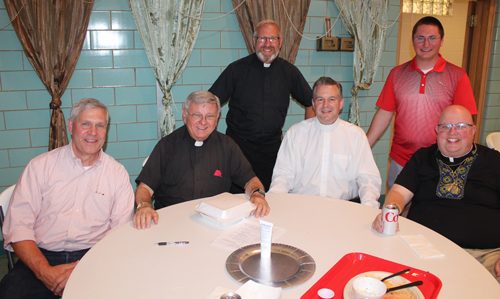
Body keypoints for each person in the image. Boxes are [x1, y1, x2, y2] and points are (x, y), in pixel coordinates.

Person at [0, 98, 135, 298]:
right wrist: (44, 271)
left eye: (100, 126)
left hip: (95, 256)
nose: (93, 132)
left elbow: (118, 233)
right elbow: (18, 227)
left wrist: (80, 270)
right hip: (41, 255)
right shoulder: (40, 167)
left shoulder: (117, 174)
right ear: (71, 126)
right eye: (86, 124)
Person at [372, 105, 500, 283]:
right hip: (423, 250)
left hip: (485, 257)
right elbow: (399, 193)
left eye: (461, 126)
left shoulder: (494, 161)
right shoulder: (422, 157)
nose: (452, 132)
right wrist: (390, 212)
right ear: (436, 130)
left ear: (473, 130)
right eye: (445, 126)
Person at [366, 16, 477, 190]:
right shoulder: (396, 74)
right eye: (420, 38)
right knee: (397, 211)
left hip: (440, 161)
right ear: (413, 40)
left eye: (432, 38)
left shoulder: (457, 76)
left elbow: (467, 124)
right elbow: (384, 114)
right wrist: (363, 147)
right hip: (401, 160)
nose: (426, 44)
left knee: (431, 213)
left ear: (441, 41)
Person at [133, 91, 270, 230]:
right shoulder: (168, 146)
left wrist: (257, 194)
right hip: (172, 222)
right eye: (197, 115)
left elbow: (251, 180)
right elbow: (144, 188)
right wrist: (144, 205)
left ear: (216, 119)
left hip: (215, 223)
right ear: (185, 115)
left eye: (209, 116)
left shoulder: (227, 146)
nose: (203, 122)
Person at [209, 19, 314, 192]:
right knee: (236, 200)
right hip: (238, 150)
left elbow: (311, 102)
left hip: (272, 152)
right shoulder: (236, 70)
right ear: (254, 41)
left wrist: (308, 137)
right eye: (262, 38)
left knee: (269, 200)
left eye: (273, 39)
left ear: (280, 42)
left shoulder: (289, 72)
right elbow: (211, 102)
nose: (267, 44)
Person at [269, 77, 382, 208]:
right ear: (313, 103)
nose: (326, 105)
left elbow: (368, 180)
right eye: (320, 99)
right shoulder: (296, 133)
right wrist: (274, 203)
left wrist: (368, 208)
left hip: (344, 208)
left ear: (341, 103)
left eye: (332, 99)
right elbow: (282, 176)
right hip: (301, 207)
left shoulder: (356, 136)